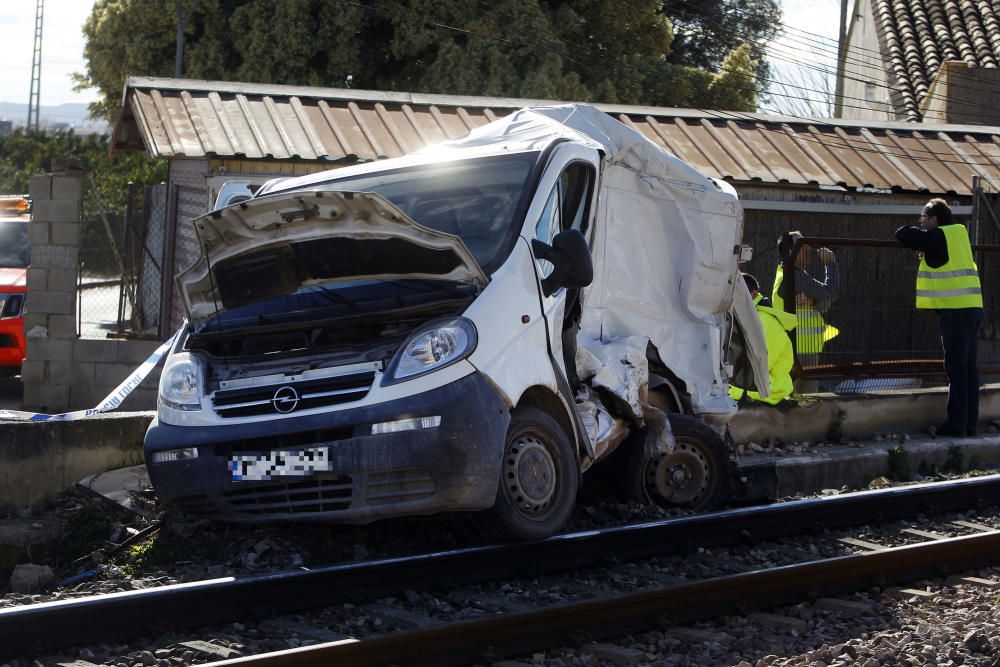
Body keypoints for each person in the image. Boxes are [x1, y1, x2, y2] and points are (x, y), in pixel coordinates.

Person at [895, 199, 984, 436]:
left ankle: (956, 426)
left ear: (935, 219)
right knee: (969, 370)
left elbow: (902, 233)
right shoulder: (959, 234)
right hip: (973, 307)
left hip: (956, 312)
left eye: (924, 217)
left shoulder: (937, 236)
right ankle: (969, 425)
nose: (921, 222)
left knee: (957, 370)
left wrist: (922, 239)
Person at [772, 231, 840, 392]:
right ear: (791, 252)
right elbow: (832, 292)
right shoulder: (794, 275)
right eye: (802, 245)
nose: (808, 248)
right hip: (800, 350)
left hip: (802, 348)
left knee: (800, 397)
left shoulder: (794, 274)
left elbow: (825, 301)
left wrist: (814, 301)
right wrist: (830, 263)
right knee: (805, 398)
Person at [730, 273, 797, 405]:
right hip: (753, 387)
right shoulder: (749, 317)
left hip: (765, 389)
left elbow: (759, 364)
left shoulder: (764, 320)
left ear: (754, 294)